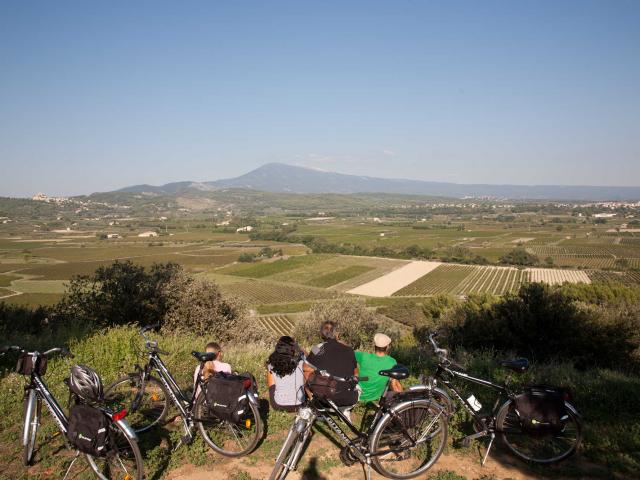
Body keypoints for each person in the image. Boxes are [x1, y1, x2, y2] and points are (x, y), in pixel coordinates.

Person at [305, 321, 359, 410]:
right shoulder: (349, 350)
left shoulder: (316, 348)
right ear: (337, 334)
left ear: (321, 334)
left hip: (324, 399)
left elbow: (307, 367)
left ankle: (312, 402)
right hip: (348, 400)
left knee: (306, 372)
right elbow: (355, 372)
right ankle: (344, 410)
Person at [355, 333, 403, 404]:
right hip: (375, 398)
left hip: (357, 394)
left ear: (375, 346)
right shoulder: (392, 362)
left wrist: (356, 371)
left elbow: (347, 353)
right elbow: (394, 384)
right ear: (387, 347)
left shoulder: (363, 356)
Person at [266, 336, 305, 412]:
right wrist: (298, 347)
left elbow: (271, 386)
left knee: (270, 373)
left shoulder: (271, 364)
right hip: (300, 404)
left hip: (279, 405)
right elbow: (306, 355)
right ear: (292, 349)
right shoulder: (301, 362)